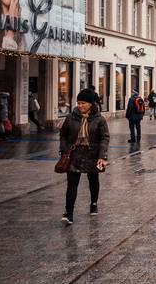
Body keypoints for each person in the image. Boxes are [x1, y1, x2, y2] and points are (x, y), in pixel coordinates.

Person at [59, 88, 109, 225]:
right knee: (72, 184)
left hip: (92, 155)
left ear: (91, 104)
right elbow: (63, 134)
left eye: (83, 103)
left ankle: (93, 202)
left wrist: (102, 156)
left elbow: (104, 138)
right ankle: (68, 213)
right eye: (78, 103)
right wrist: (63, 150)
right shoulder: (71, 117)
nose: (80, 106)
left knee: (93, 181)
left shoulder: (99, 119)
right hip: (74, 155)